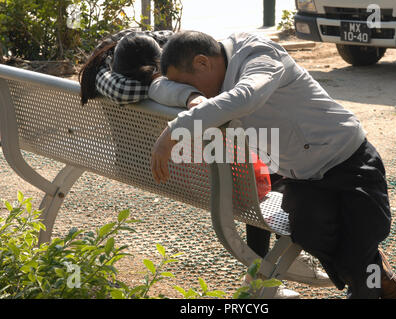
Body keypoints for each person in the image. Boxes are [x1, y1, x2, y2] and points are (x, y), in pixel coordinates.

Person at [148, 30, 396, 299]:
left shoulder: (258, 54)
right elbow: (158, 86)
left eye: (190, 83)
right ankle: (379, 269)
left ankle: (370, 278)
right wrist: (190, 95)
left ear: (203, 63)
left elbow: (246, 96)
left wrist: (174, 131)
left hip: (349, 159)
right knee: (310, 233)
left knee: (359, 248)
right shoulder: (212, 67)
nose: (195, 91)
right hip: (303, 177)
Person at [79, 29, 330, 298]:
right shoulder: (161, 85)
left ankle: (267, 270)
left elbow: (133, 86)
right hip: (216, 176)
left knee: (260, 172)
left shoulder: (111, 81)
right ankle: (261, 276)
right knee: (280, 181)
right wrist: (189, 97)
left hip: (146, 168)